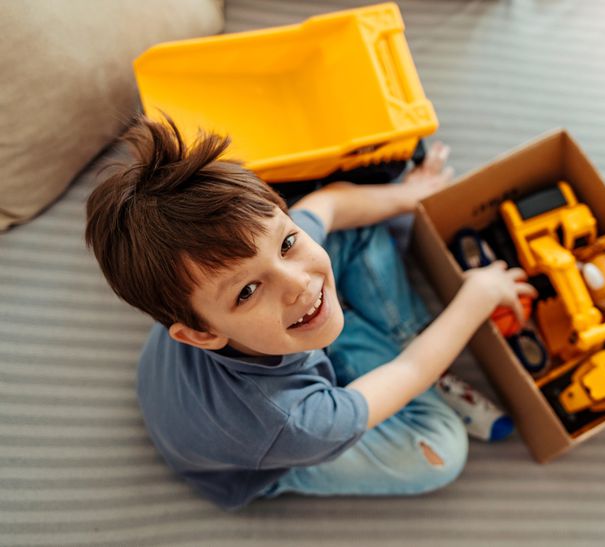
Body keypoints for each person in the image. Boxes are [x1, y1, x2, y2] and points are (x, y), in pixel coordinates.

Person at [85, 115, 536, 510]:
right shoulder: (294, 425)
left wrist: (409, 194)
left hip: (197, 379)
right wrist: (476, 297)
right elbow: (414, 368)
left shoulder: (227, 282)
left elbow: (330, 203)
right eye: (247, 291)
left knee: (359, 230)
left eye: (286, 243)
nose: (299, 283)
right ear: (200, 335)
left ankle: (360, 340)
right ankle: (403, 344)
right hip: (264, 452)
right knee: (441, 451)